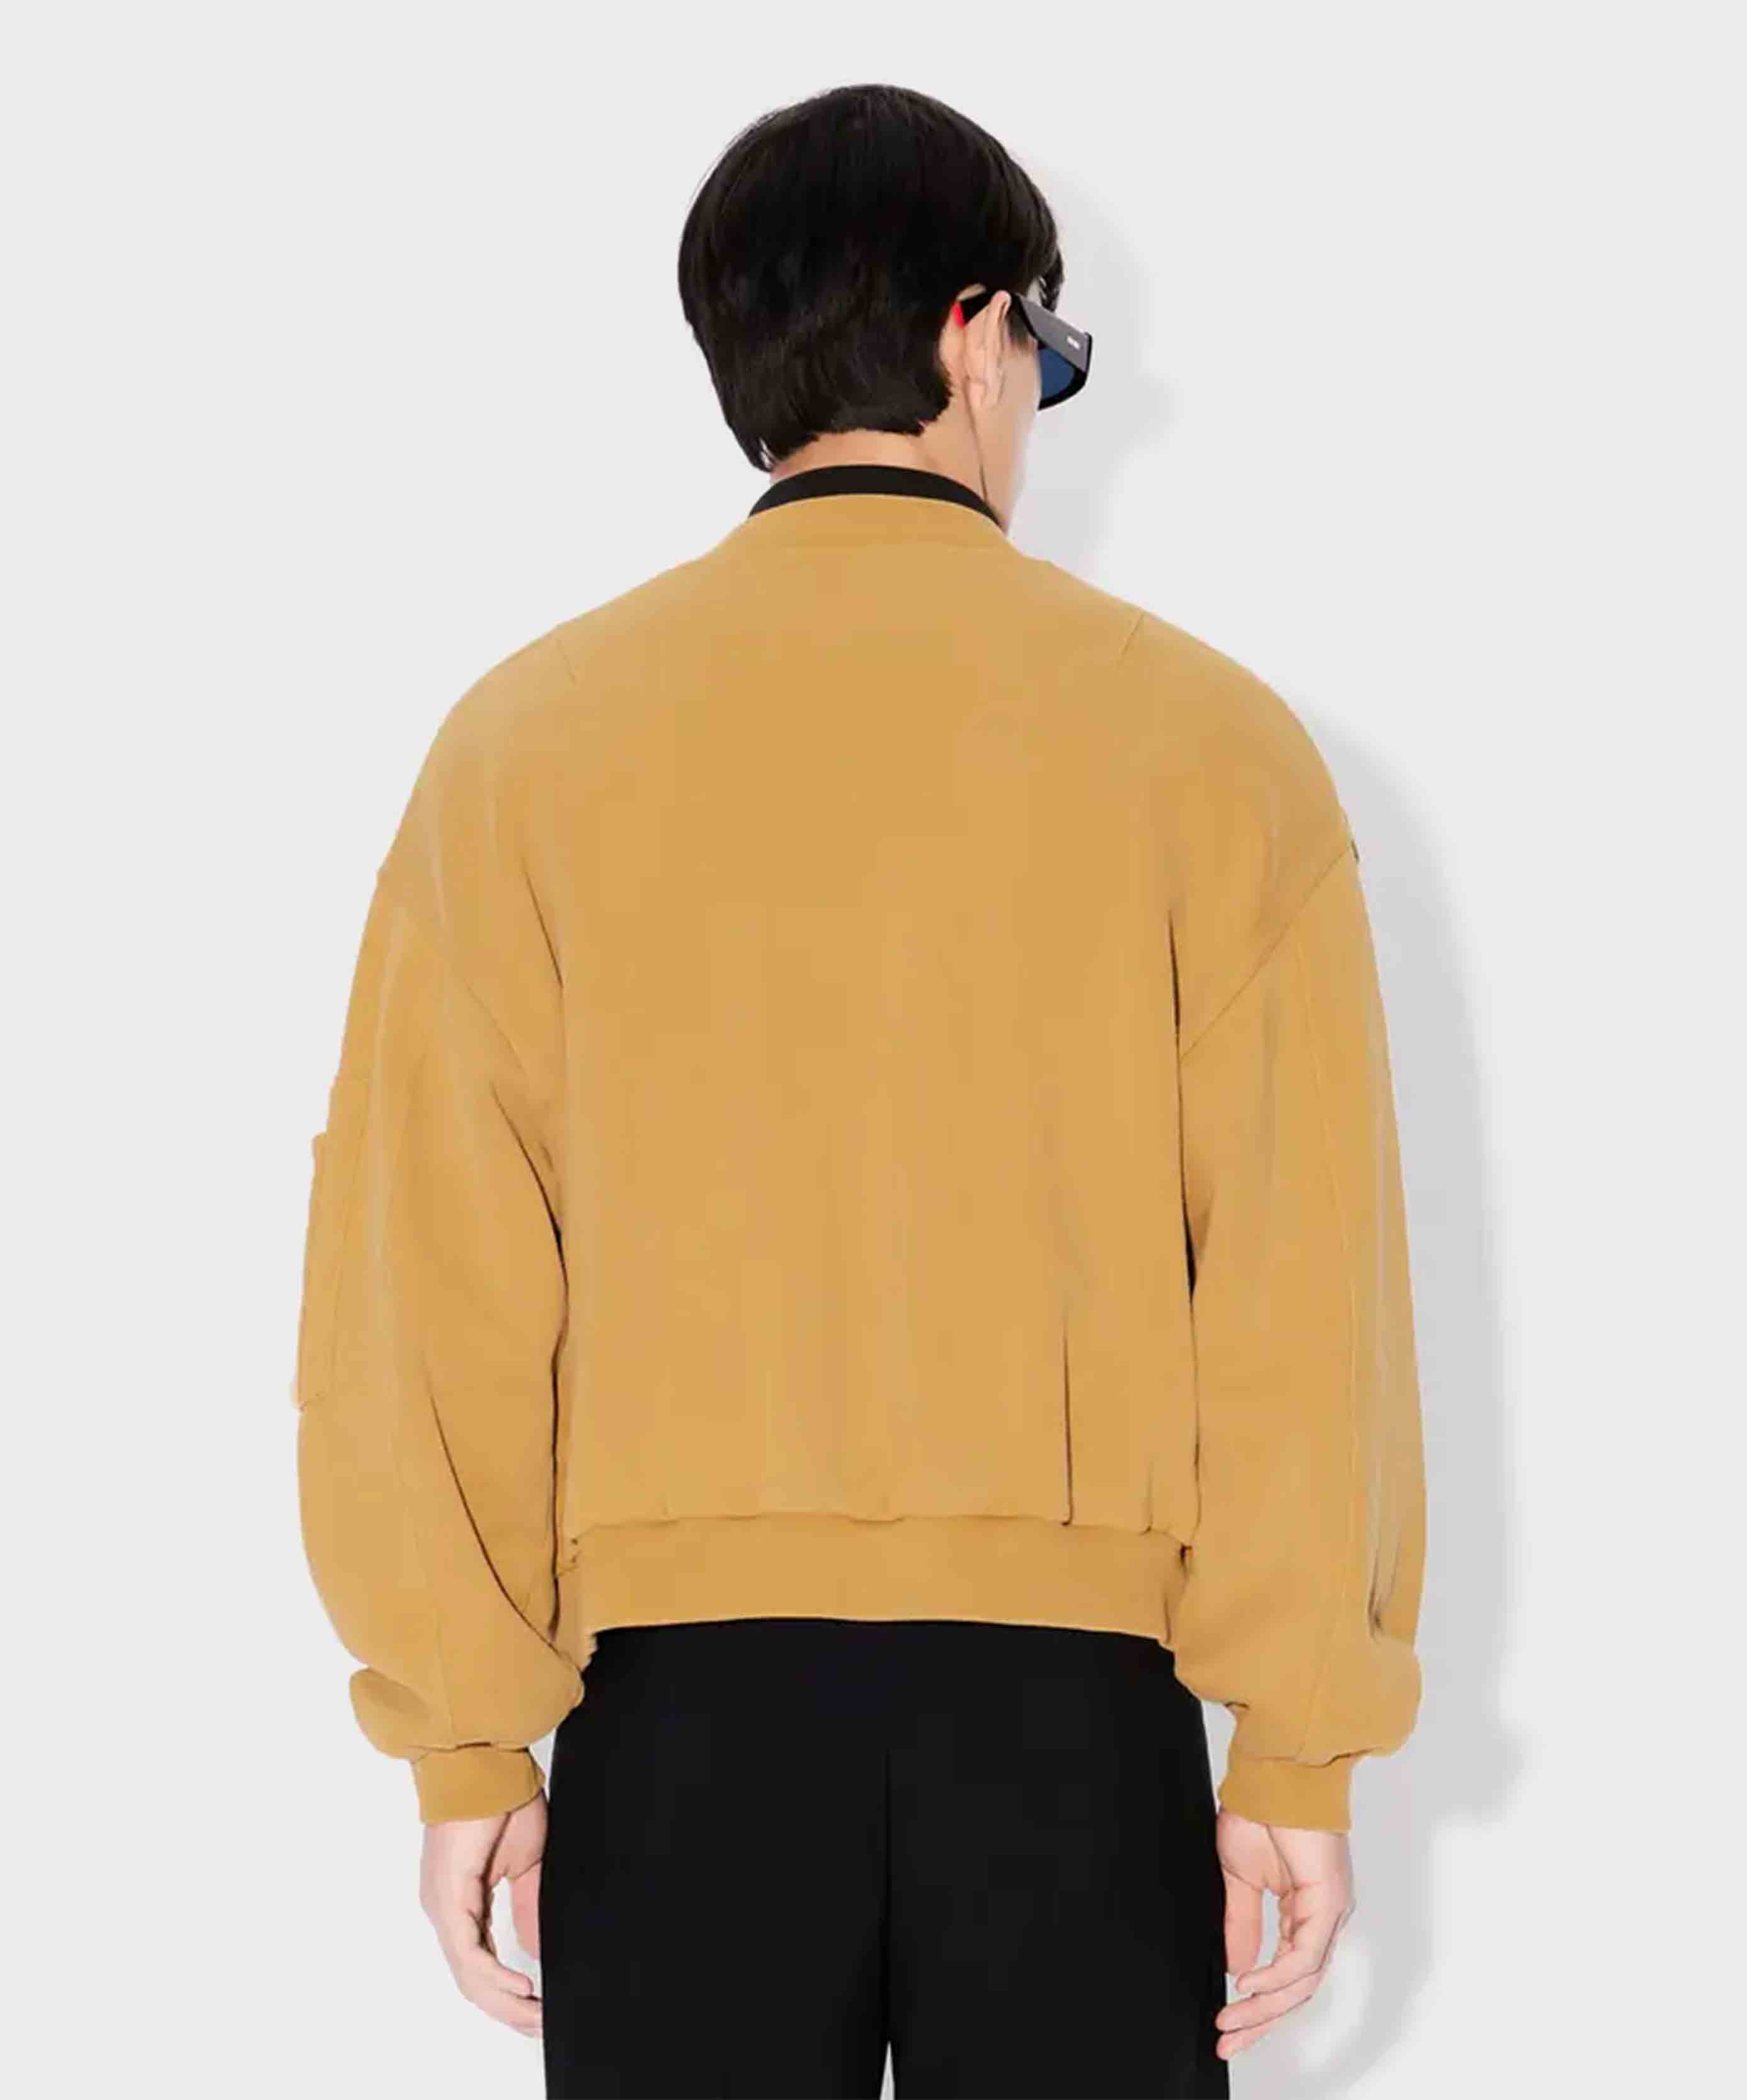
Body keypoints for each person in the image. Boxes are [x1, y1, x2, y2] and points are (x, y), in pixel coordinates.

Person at [292, 81, 1426, 2099]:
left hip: (674, 1723)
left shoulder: (526, 753)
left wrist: (465, 1735)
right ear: (980, 335)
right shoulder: (1208, 750)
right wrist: (1295, 1748)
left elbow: (425, 1284)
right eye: (1050, 358)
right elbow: (1298, 1289)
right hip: (1077, 1723)